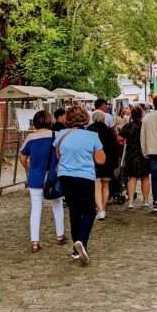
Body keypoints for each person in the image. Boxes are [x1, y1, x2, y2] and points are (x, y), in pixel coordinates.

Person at [55, 105, 106, 266]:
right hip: (85, 177)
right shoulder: (92, 136)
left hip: (65, 176)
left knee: (74, 210)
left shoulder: (61, 135)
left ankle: (76, 250)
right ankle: (82, 242)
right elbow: (101, 160)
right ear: (85, 118)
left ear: (67, 119)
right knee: (90, 211)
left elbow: (58, 156)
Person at [18, 110, 66, 253]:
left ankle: (34, 241)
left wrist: (29, 169)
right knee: (57, 205)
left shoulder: (30, 138)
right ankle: (60, 235)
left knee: (36, 208)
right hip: (53, 176)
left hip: (35, 177)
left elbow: (22, 158)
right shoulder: (57, 136)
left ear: (35, 122)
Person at [87, 110, 119, 221]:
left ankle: (100, 210)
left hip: (94, 161)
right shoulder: (109, 131)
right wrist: (115, 162)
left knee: (97, 185)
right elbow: (115, 148)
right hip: (108, 162)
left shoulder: (89, 130)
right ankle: (103, 208)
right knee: (105, 185)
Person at [120, 106, 151, 209]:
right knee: (145, 177)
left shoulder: (128, 126)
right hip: (144, 153)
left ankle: (131, 202)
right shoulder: (144, 125)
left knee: (132, 177)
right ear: (141, 114)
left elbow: (120, 138)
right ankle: (146, 201)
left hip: (131, 154)